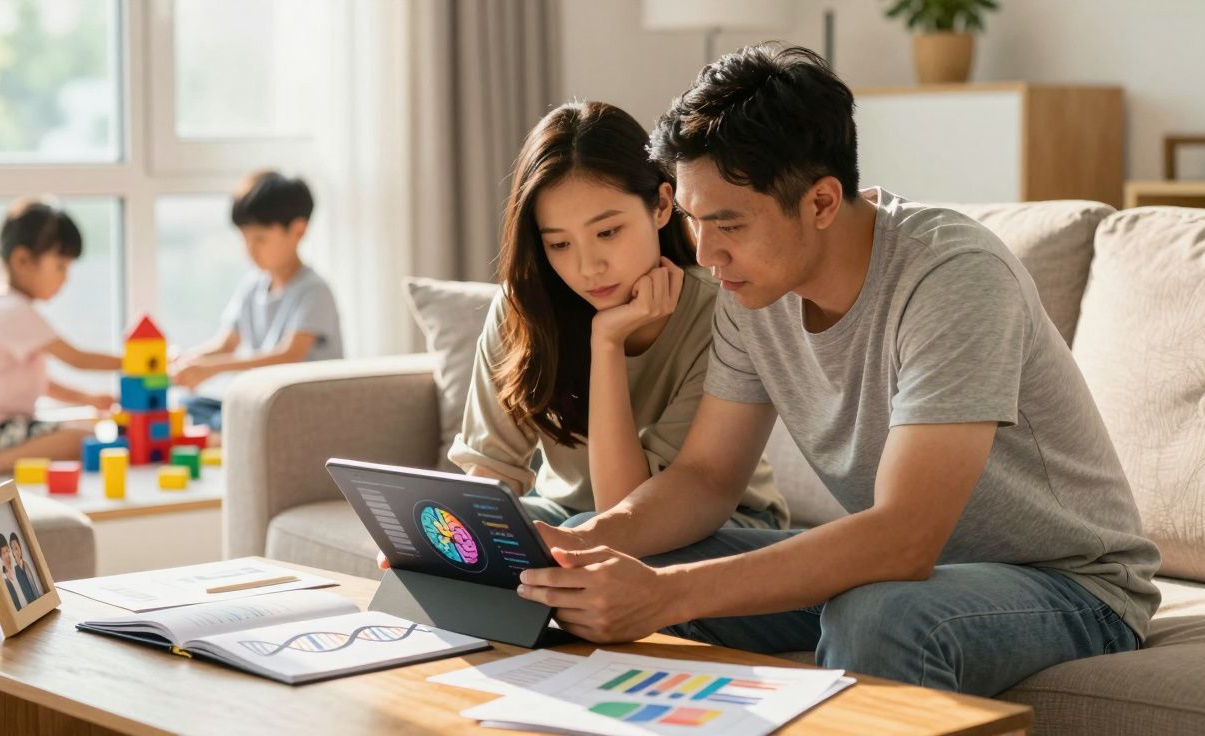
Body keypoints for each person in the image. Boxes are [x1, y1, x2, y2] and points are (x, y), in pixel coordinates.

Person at [514, 45, 1160, 697]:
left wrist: (663, 596)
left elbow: (905, 538)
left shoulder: (953, 278)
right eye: (692, 219)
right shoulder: (751, 287)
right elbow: (707, 477)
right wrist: (593, 539)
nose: (706, 254)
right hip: (902, 570)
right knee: (594, 561)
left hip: (1069, 583)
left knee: (879, 615)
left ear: (822, 202)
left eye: (728, 222)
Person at [448, 101, 786, 529]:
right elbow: (490, 475)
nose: (588, 267)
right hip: (570, 515)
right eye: (560, 244)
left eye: (607, 232)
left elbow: (623, 512)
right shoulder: (524, 308)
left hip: (718, 523)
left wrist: (606, 342)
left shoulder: (724, 314)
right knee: (468, 539)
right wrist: (452, 544)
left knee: (573, 541)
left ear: (662, 206)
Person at [0, 198, 121, 478]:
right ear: (22, 260)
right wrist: (144, 362)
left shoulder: (3, 305)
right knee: (82, 439)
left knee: (84, 433)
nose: (65, 279)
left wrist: (87, 397)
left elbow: (37, 383)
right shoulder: (11, 311)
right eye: (60, 266)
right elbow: (78, 359)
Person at [171, 171, 343, 431]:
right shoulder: (253, 285)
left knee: (228, 419)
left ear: (298, 230)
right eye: (245, 238)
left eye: (260, 239)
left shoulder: (314, 290)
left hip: (299, 404)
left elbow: (290, 355)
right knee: (188, 407)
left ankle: (221, 433)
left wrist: (212, 369)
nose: (250, 249)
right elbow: (226, 344)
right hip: (263, 402)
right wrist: (185, 360)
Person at [0, 533, 23, 611]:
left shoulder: (18, 568)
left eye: (7, 550)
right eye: (4, 553)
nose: (7, 555)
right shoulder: (3, 578)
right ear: (0, 556)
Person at [9, 532, 39, 603]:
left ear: (20, 548)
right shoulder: (16, 570)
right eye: (13, 549)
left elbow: (34, 587)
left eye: (17, 548)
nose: (16, 551)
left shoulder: (26, 565)